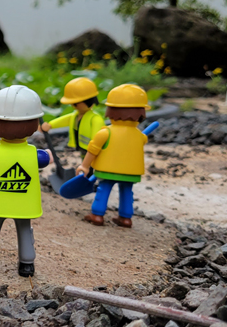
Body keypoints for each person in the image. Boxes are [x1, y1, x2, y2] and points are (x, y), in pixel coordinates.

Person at [0, 85, 51, 277]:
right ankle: (27, 264)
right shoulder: (33, 153)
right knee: (24, 229)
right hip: (24, 203)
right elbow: (45, 158)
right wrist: (47, 154)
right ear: (33, 124)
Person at [76, 83, 150, 228]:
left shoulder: (105, 132)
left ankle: (97, 215)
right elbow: (140, 143)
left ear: (111, 111)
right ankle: (126, 218)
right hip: (130, 171)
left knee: (104, 188)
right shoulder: (140, 136)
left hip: (107, 170)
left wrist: (84, 166)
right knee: (127, 191)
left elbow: (93, 150)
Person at [41, 77, 104, 164]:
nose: (73, 106)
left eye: (75, 103)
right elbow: (64, 120)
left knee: (93, 163)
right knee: (84, 160)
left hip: (91, 150)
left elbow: (98, 137)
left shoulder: (95, 119)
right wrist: (50, 125)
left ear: (88, 101)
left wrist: (94, 148)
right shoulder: (75, 115)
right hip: (81, 146)